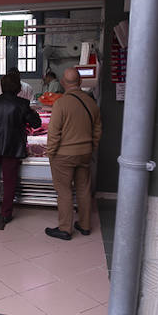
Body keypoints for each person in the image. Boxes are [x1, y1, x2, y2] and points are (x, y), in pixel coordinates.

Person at [45, 67, 102, 240]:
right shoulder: (91, 103)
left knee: (64, 191)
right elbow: (98, 130)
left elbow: (54, 133)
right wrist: (91, 148)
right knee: (83, 189)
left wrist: (50, 153)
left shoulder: (61, 103)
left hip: (64, 155)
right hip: (85, 153)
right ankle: (85, 225)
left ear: (63, 82)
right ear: (81, 82)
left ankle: (65, 228)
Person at [0, 74, 41, 222]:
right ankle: (6, 214)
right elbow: (36, 124)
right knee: (10, 181)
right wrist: (32, 111)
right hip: (13, 148)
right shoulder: (22, 104)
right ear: (19, 88)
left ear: (2, 86)